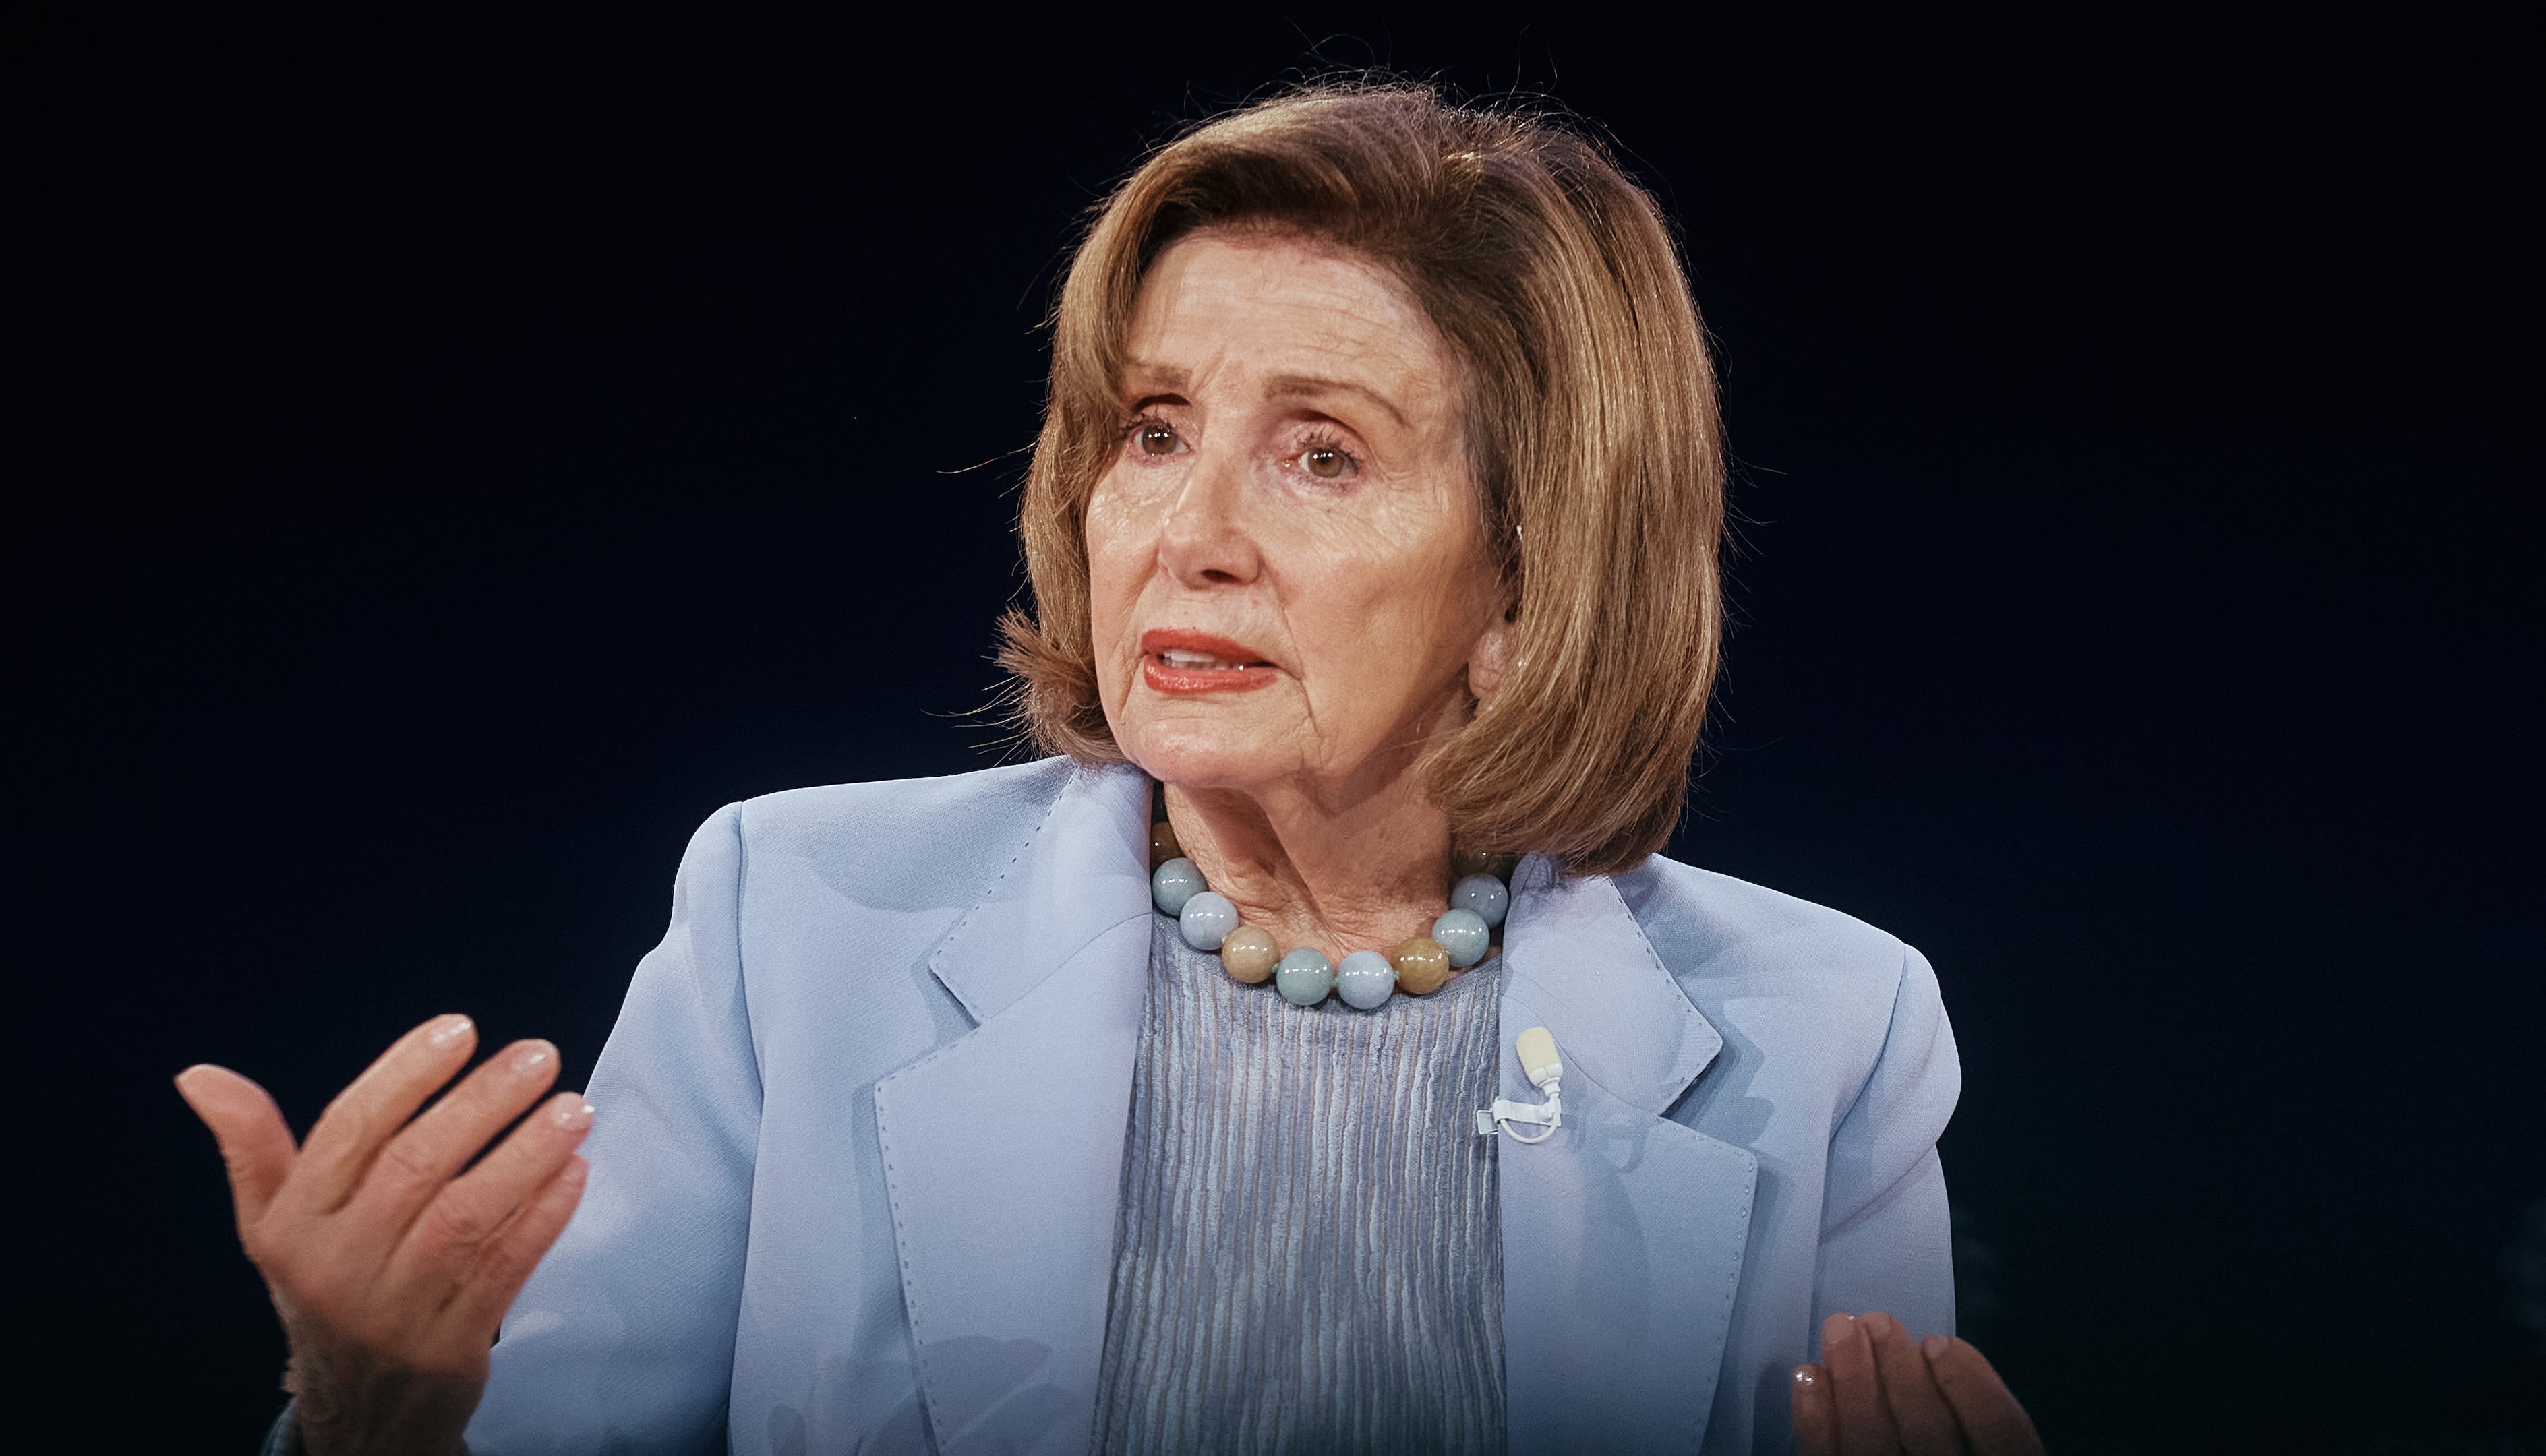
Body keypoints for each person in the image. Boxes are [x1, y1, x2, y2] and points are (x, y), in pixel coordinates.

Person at [177, 84, 2045, 1455]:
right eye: (1151, 430)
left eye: (1321, 453)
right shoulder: (797, 921)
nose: (1186, 530)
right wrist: (372, 1417)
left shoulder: (1827, 1034)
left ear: (1534, 571)